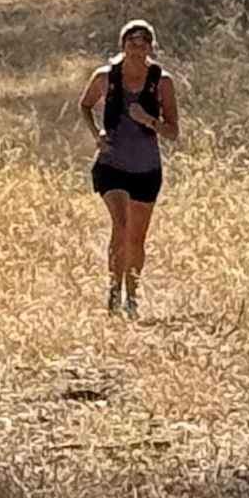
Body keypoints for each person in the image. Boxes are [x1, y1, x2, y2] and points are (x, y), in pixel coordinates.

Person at [81, 19, 181, 316]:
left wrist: (147, 120)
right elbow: (85, 105)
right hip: (111, 164)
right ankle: (113, 291)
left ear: (151, 48)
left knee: (136, 237)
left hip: (147, 169)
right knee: (121, 225)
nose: (137, 50)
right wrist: (96, 133)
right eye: (131, 44)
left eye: (143, 44)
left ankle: (132, 298)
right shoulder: (106, 77)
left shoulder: (161, 82)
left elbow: (173, 132)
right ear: (122, 46)